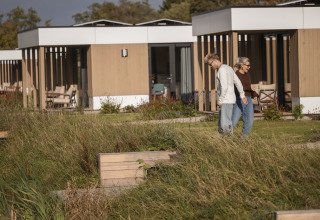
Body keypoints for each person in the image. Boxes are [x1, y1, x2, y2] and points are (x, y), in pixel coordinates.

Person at [204, 53, 247, 135]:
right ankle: (221, 142)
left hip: (226, 100)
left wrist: (220, 100)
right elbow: (238, 82)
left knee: (225, 124)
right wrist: (242, 95)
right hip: (229, 99)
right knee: (222, 124)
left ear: (215, 60)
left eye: (210, 64)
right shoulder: (228, 68)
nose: (210, 66)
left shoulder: (222, 70)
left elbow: (224, 87)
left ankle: (229, 142)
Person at [232, 57, 258, 137]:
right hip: (239, 100)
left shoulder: (247, 74)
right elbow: (238, 88)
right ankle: (225, 138)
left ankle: (243, 139)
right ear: (242, 65)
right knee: (233, 122)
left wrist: (254, 94)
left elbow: (248, 86)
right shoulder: (236, 75)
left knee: (249, 122)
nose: (249, 67)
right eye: (247, 65)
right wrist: (249, 88)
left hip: (248, 100)